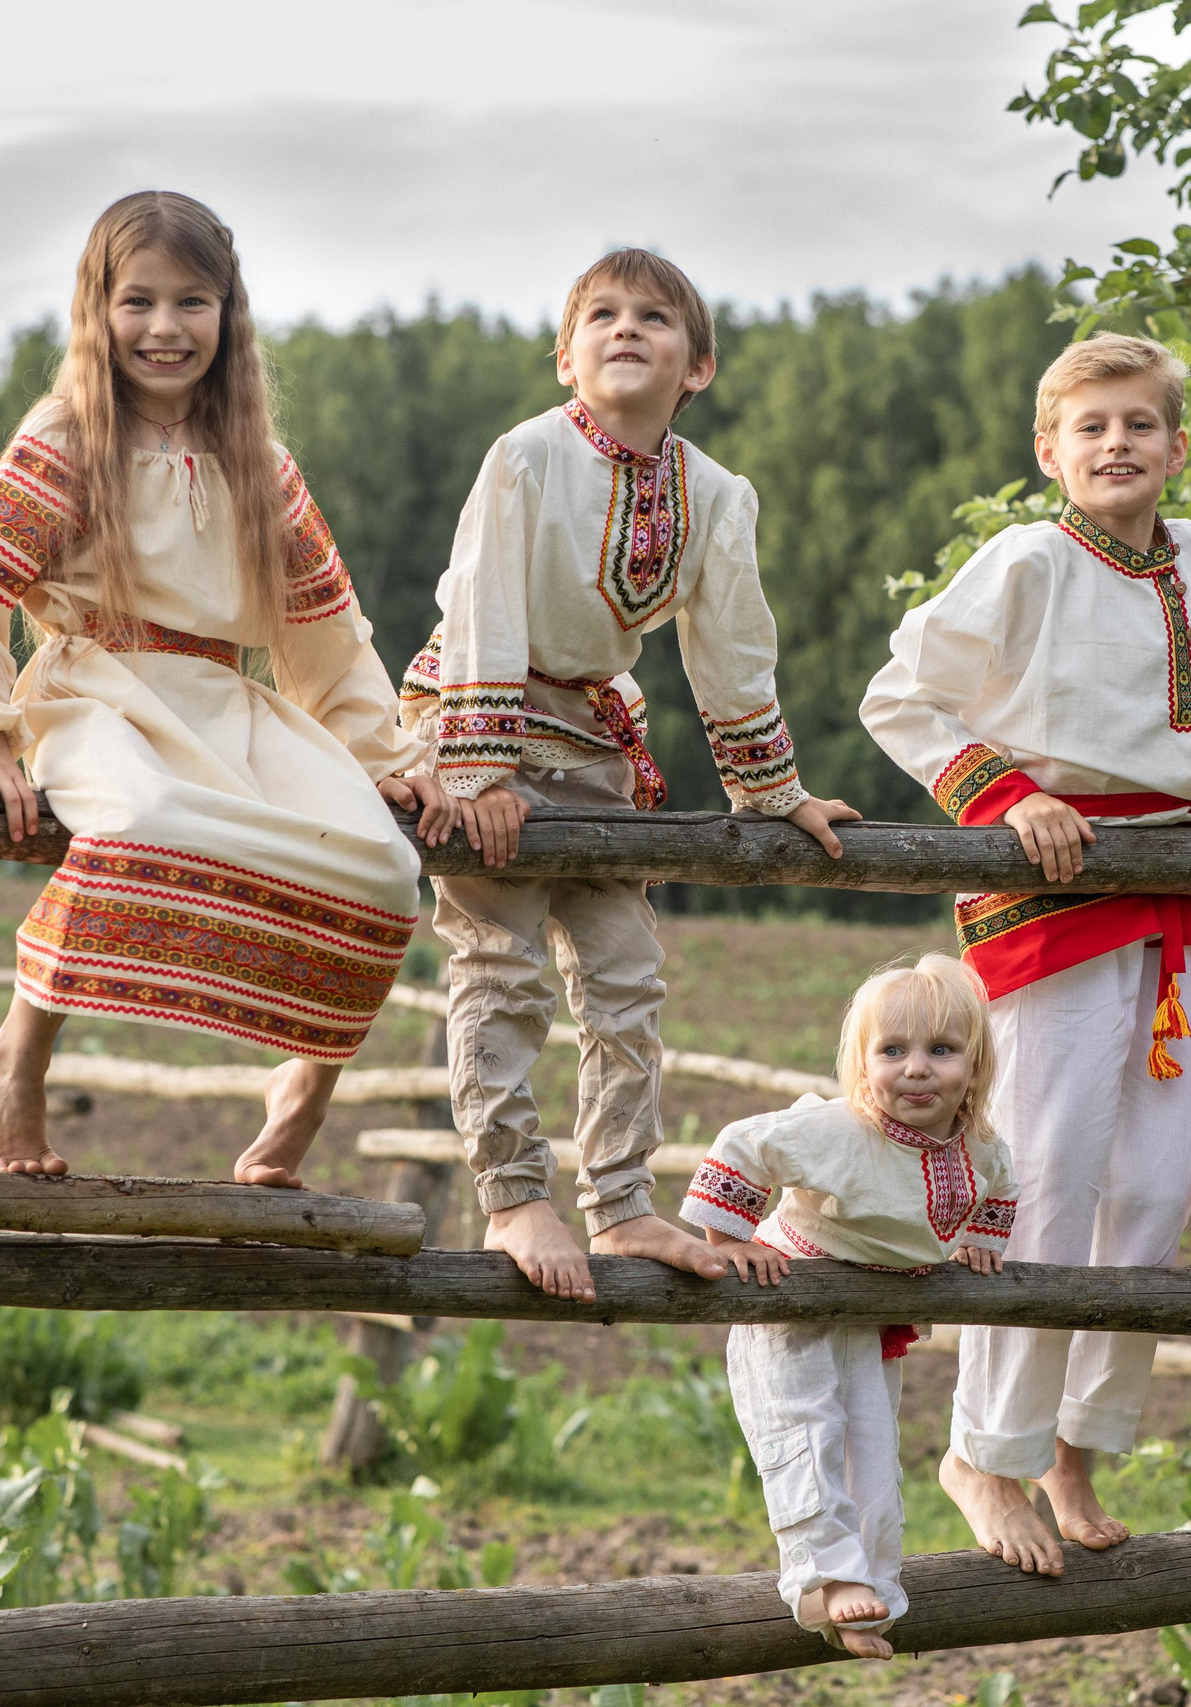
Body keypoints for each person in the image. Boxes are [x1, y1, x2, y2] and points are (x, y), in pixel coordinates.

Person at [858, 333, 1191, 1576]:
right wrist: (1001, 795)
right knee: (1049, 1176)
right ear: (1048, 450)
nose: (1116, 444)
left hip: (1180, 890)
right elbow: (901, 695)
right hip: (1053, 889)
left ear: (1176, 446)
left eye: (1138, 425)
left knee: (1157, 1181)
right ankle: (984, 1454)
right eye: (1089, 426)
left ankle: (1075, 1443)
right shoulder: (1023, 564)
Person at [0, 191, 455, 1187]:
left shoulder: (264, 464)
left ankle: (306, 1076)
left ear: (228, 313)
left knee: (381, 863)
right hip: (98, 690)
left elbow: (326, 636)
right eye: (139, 302)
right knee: (141, 820)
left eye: (192, 302)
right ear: (98, 308)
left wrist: (384, 758)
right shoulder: (65, 437)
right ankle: (20, 1051)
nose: (164, 328)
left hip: (229, 704)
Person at [401, 248, 861, 1299]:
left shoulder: (715, 494)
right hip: (483, 719)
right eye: (600, 315)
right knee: (499, 966)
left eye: (653, 317)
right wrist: (475, 771)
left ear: (695, 366)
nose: (625, 329)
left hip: (596, 741)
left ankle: (620, 1207)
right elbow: (478, 603)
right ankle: (515, 1195)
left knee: (625, 979)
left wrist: (772, 791)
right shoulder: (522, 455)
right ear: (567, 358)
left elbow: (734, 647)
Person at [681, 954, 1016, 1658]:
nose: (916, 1068)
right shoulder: (839, 1130)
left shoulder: (978, 1144)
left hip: (865, 1311)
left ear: (976, 1068)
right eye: (892, 1051)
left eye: (941, 1050)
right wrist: (730, 1241)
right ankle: (825, 1577)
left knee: (871, 1444)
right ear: (864, 1067)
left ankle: (868, 1590)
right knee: (804, 1432)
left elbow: (1003, 1183)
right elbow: (744, 1145)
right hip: (793, 1296)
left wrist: (981, 1240)